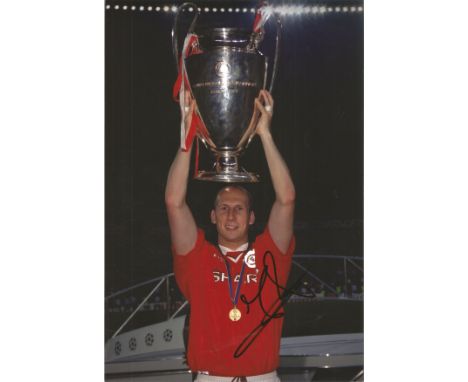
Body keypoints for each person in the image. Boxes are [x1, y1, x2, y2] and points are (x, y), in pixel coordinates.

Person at [165, 90, 295, 382]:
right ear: (213, 216)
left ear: (251, 218)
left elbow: (286, 199)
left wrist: (265, 134)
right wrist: (187, 137)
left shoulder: (269, 254)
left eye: (239, 208)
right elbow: (174, 202)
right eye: (223, 208)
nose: (231, 215)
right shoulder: (197, 257)